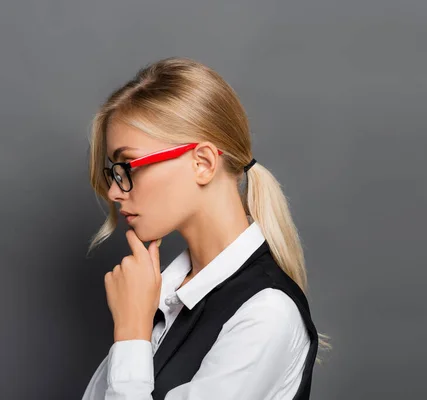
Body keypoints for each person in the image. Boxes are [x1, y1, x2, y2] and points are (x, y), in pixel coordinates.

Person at [81, 57, 328, 400]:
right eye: (113, 171)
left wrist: (131, 334)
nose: (113, 191)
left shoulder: (264, 313)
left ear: (203, 163)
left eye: (128, 166)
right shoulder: (158, 290)